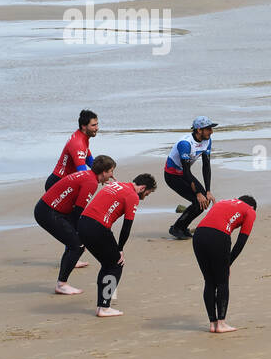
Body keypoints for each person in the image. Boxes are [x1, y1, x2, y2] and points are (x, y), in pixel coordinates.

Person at [34, 155, 116, 294]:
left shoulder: (88, 175)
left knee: (75, 242)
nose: (112, 175)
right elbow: (78, 211)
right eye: (111, 171)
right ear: (103, 172)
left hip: (49, 208)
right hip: (48, 212)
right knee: (77, 246)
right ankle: (61, 284)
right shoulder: (91, 183)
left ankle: (68, 266)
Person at [77, 174, 156, 317]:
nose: (146, 196)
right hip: (97, 227)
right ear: (143, 188)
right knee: (116, 264)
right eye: (147, 193)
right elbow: (127, 227)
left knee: (107, 264)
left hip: (82, 223)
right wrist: (120, 249)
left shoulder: (116, 185)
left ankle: (104, 302)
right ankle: (104, 307)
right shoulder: (133, 196)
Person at [193, 195, 257, 334]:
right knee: (222, 281)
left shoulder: (223, 202)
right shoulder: (250, 211)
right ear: (252, 207)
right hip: (218, 236)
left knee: (209, 281)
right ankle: (221, 324)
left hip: (198, 235)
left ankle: (213, 323)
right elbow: (241, 241)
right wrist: (228, 263)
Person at [164, 117, 217, 239]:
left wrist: (208, 191)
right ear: (199, 130)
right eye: (208, 129)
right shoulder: (185, 144)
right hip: (172, 176)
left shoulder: (207, 140)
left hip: (184, 174)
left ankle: (182, 227)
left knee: (205, 200)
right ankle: (177, 228)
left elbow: (206, 166)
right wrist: (198, 193)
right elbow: (187, 171)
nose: (211, 132)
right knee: (199, 200)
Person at [46, 109, 99, 190]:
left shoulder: (82, 137)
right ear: (83, 126)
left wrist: (103, 172)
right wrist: (98, 178)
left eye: (97, 124)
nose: (97, 128)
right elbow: (82, 173)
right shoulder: (78, 143)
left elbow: (90, 161)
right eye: (93, 125)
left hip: (65, 181)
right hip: (58, 183)